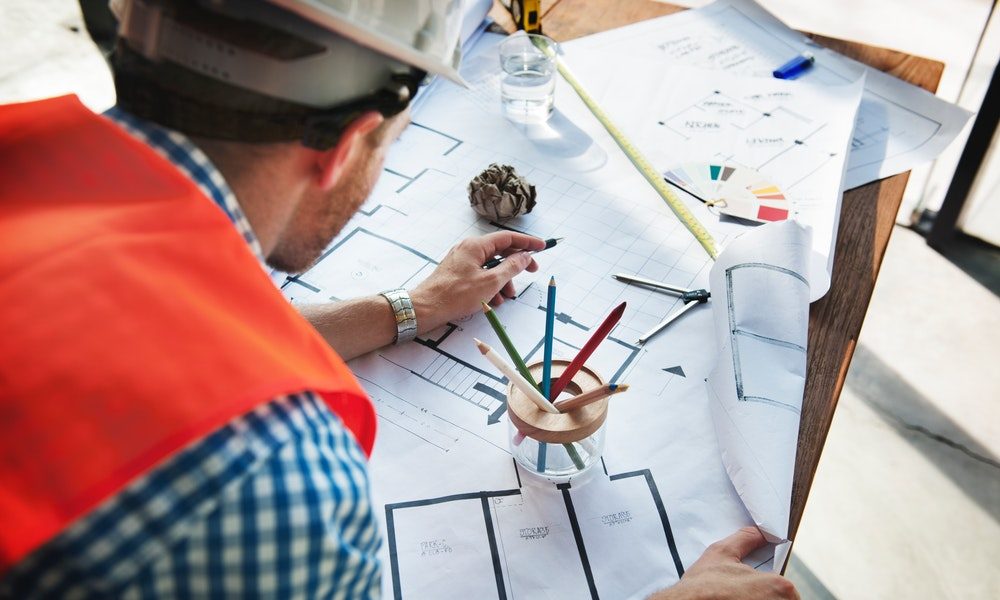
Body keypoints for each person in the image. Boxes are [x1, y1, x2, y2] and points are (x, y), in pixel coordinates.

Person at [0, 1, 797, 598]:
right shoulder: (276, 471)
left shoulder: (24, 178)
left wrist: (408, 307)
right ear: (347, 144)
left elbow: (152, 333)